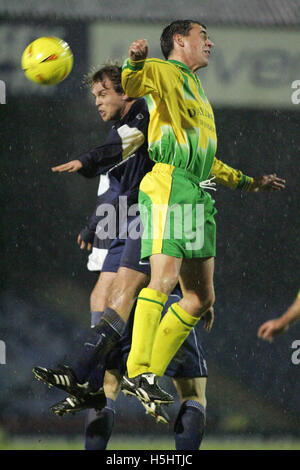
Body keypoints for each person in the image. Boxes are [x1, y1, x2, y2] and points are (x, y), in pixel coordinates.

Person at [33, 26, 285, 448]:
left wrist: (247, 182)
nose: (209, 41)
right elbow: (131, 90)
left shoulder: (196, 93)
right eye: (202, 34)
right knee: (145, 293)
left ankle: (108, 372)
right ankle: (122, 371)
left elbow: (202, 153)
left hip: (196, 195)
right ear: (180, 42)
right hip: (167, 191)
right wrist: (134, 61)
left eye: (101, 95)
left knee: (196, 298)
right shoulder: (165, 72)